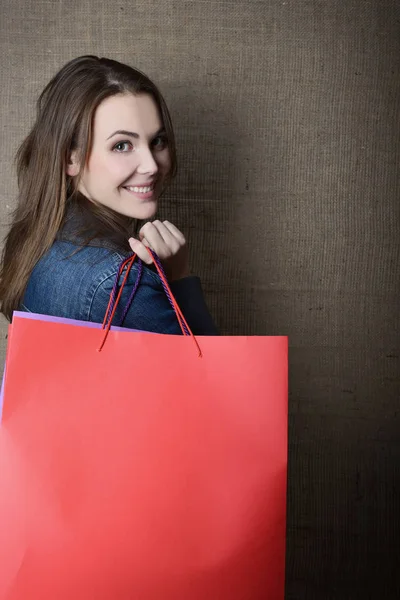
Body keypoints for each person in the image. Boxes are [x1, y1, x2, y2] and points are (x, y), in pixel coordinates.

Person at [0, 56, 217, 335]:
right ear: (71, 159)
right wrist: (179, 278)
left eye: (157, 141)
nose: (151, 165)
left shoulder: (39, 240)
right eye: (122, 145)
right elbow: (214, 377)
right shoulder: (117, 285)